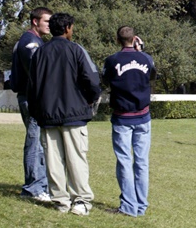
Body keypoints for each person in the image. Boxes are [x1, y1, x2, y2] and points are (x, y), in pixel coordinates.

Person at [28, 13, 102, 215]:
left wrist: (36, 112)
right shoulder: (76, 50)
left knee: (53, 161)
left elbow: (32, 87)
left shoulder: (39, 53)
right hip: (74, 114)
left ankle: (61, 201)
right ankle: (81, 201)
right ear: (68, 28)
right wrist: (91, 99)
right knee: (76, 159)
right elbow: (93, 79)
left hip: (47, 115)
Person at [102, 27, 156, 217]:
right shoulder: (147, 59)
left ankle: (129, 206)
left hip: (122, 117)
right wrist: (140, 52)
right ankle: (141, 205)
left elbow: (106, 80)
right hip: (143, 116)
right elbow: (152, 76)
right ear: (134, 39)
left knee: (124, 161)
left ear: (118, 40)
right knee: (141, 162)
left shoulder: (112, 60)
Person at [10, 7, 52, 203]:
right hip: (31, 98)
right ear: (35, 21)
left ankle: (40, 185)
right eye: (46, 22)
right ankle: (33, 188)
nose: (49, 26)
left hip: (32, 97)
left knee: (39, 143)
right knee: (34, 143)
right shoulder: (30, 42)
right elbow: (38, 72)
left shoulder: (35, 41)